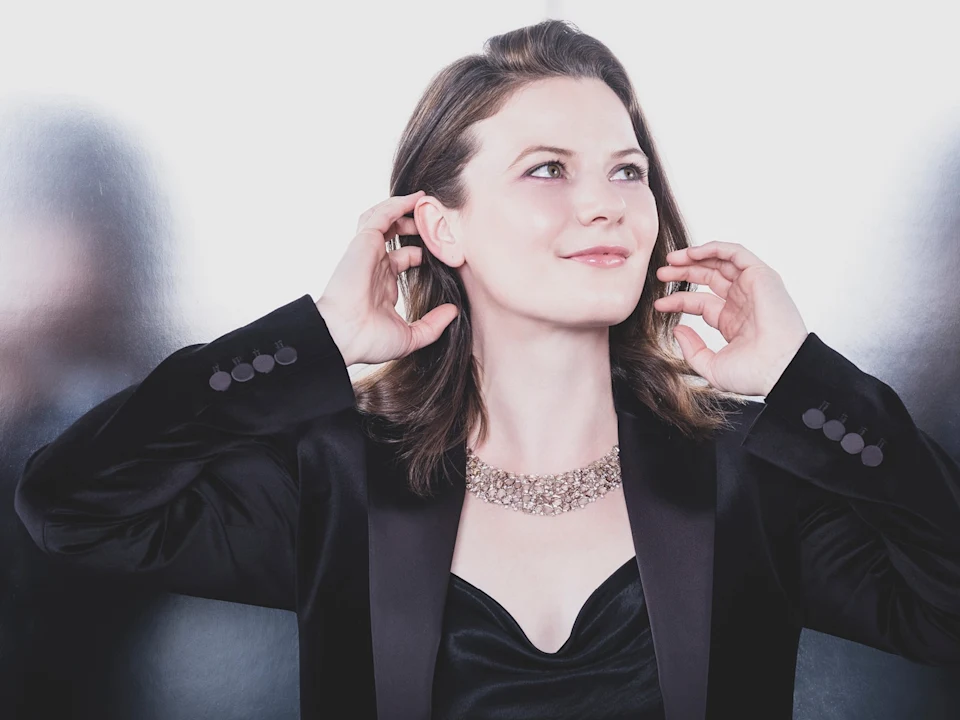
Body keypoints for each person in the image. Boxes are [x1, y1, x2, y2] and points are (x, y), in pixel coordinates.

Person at [13, 18, 960, 720]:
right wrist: (312, 337)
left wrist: (802, 376)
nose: (607, 206)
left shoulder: (748, 474)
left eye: (627, 171)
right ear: (440, 225)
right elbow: (73, 502)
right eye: (549, 168)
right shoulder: (337, 478)